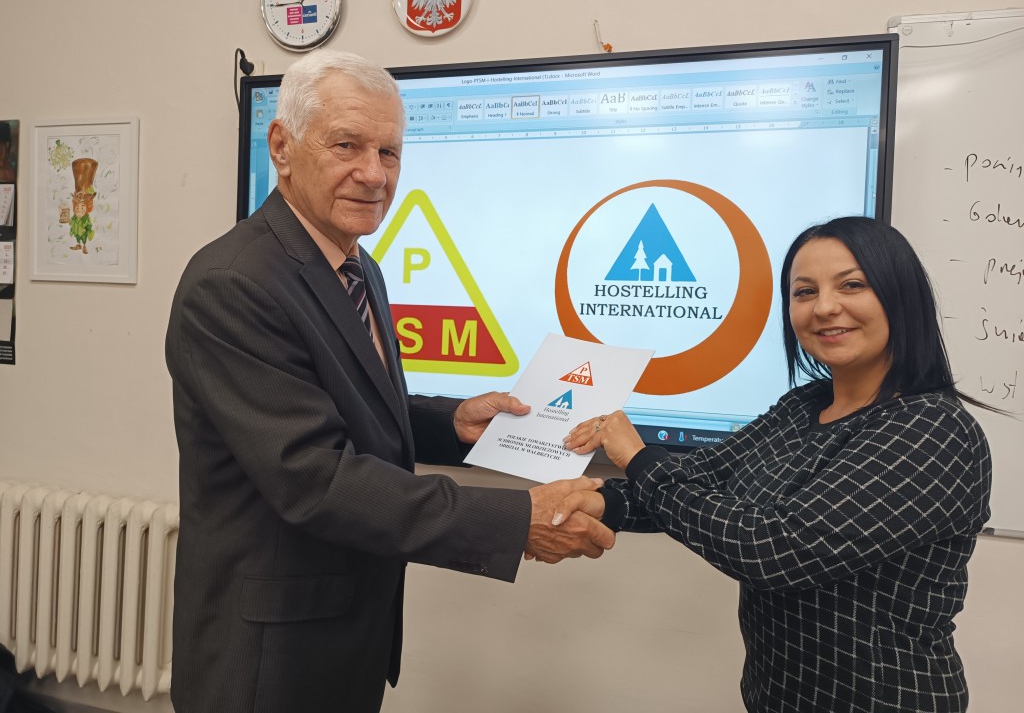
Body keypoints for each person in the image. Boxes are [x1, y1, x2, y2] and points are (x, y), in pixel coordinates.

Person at [165, 49, 614, 713]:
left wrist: (450, 422)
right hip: (269, 655)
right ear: (281, 147)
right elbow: (315, 477)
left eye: (390, 153)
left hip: (347, 632)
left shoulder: (357, 265)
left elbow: (341, 401)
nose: (374, 174)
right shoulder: (233, 284)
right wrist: (518, 519)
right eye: (347, 145)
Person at [560, 216, 993, 712]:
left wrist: (638, 457)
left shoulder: (933, 429)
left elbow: (776, 549)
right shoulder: (804, 406)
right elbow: (702, 478)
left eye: (852, 285)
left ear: (901, 296)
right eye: (804, 292)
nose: (824, 307)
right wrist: (599, 502)